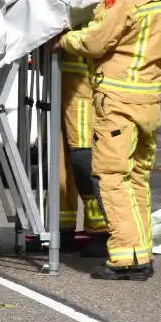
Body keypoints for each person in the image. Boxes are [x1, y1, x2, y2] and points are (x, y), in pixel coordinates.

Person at [55, 0, 161, 281]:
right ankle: (141, 254)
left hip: (118, 100)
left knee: (111, 176)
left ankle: (125, 258)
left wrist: (63, 39)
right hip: (150, 99)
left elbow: (95, 41)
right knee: (138, 177)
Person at [57, 50, 109, 255]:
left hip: (85, 84)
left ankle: (100, 230)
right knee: (58, 160)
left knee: (83, 156)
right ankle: (60, 228)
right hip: (61, 81)